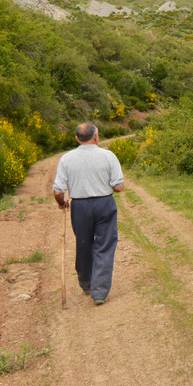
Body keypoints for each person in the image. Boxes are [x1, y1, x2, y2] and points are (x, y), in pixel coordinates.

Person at [52, 122, 124, 306]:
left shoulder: (66, 159)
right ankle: (99, 292)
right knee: (105, 245)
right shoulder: (108, 156)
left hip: (80, 206)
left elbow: (58, 191)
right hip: (104, 204)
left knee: (83, 243)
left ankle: (86, 284)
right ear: (96, 136)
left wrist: (62, 203)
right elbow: (118, 187)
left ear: (77, 138)